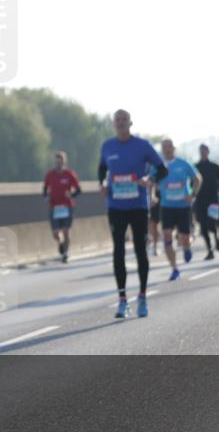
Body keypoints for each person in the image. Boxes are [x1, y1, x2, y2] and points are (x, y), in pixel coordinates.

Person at [97, 109, 166, 318]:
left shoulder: (142, 146)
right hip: (115, 206)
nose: (120, 123)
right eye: (117, 120)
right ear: (113, 124)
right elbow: (101, 169)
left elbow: (162, 168)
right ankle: (122, 300)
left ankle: (143, 297)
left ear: (130, 123)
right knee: (118, 249)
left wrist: (150, 179)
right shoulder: (107, 146)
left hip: (138, 206)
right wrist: (101, 183)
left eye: (124, 120)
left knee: (139, 250)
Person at [154, 139, 199, 281]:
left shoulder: (182, 164)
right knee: (167, 236)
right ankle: (174, 268)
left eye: (169, 147)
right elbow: (150, 180)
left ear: (174, 148)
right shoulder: (158, 165)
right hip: (166, 206)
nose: (167, 149)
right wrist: (150, 196)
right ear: (162, 149)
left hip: (183, 207)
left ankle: (186, 248)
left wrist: (193, 195)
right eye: (164, 147)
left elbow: (197, 178)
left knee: (184, 238)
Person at [43, 151, 81, 263]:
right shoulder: (50, 175)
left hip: (67, 206)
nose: (58, 164)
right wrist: (46, 197)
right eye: (56, 161)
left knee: (66, 231)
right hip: (54, 207)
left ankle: (65, 254)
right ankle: (61, 243)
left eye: (61, 161)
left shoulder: (69, 174)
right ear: (54, 162)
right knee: (55, 233)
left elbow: (78, 190)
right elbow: (45, 189)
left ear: (64, 162)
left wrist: (72, 195)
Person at [192, 144, 219, 260]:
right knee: (203, 226)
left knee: (212, 223)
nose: (203, 153)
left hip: (213, 199)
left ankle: (216, 238)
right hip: (200, 200)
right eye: (201, 151)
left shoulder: (214, 166)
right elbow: (191, 182)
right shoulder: (195, 167)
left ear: (208, 152)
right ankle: (209, 250)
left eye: (205, 151)